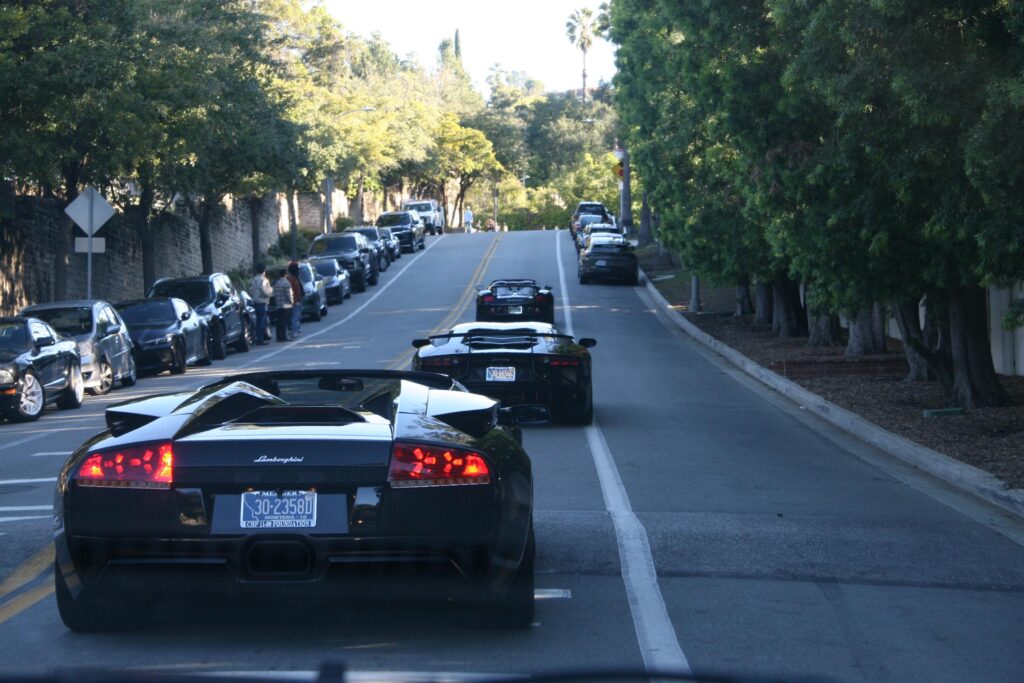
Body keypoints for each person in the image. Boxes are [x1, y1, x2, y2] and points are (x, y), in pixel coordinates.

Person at [248, 263, 272, 345]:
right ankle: (261, 340)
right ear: (264, 271)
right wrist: (270, 293)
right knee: (262, 321)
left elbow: (251, 290)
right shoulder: (263, 280)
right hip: (262, 302)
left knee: (258, 321)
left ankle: (259, 338)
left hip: (255, 302)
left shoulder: (254, 279)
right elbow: (265, 290)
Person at [271, 268, 293, 342]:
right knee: (284, 322)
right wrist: (292, 302)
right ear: (285, 274)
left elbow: (274, 294)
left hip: (278, 305)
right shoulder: (286, 283)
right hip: (286, 305)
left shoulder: (277, 283)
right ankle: (283, 337)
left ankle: (279, 337)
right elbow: (289, 294)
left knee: (279, 322)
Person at [286, 261, 303, 338]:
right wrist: (297, 300)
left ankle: (294, 329)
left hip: (294, 300)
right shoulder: (292, 279)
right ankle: (293, 331)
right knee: (295, 317)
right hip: (294, 301)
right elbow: (295, 290)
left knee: (295, 316)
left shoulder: (293, 278)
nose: (298, 271)